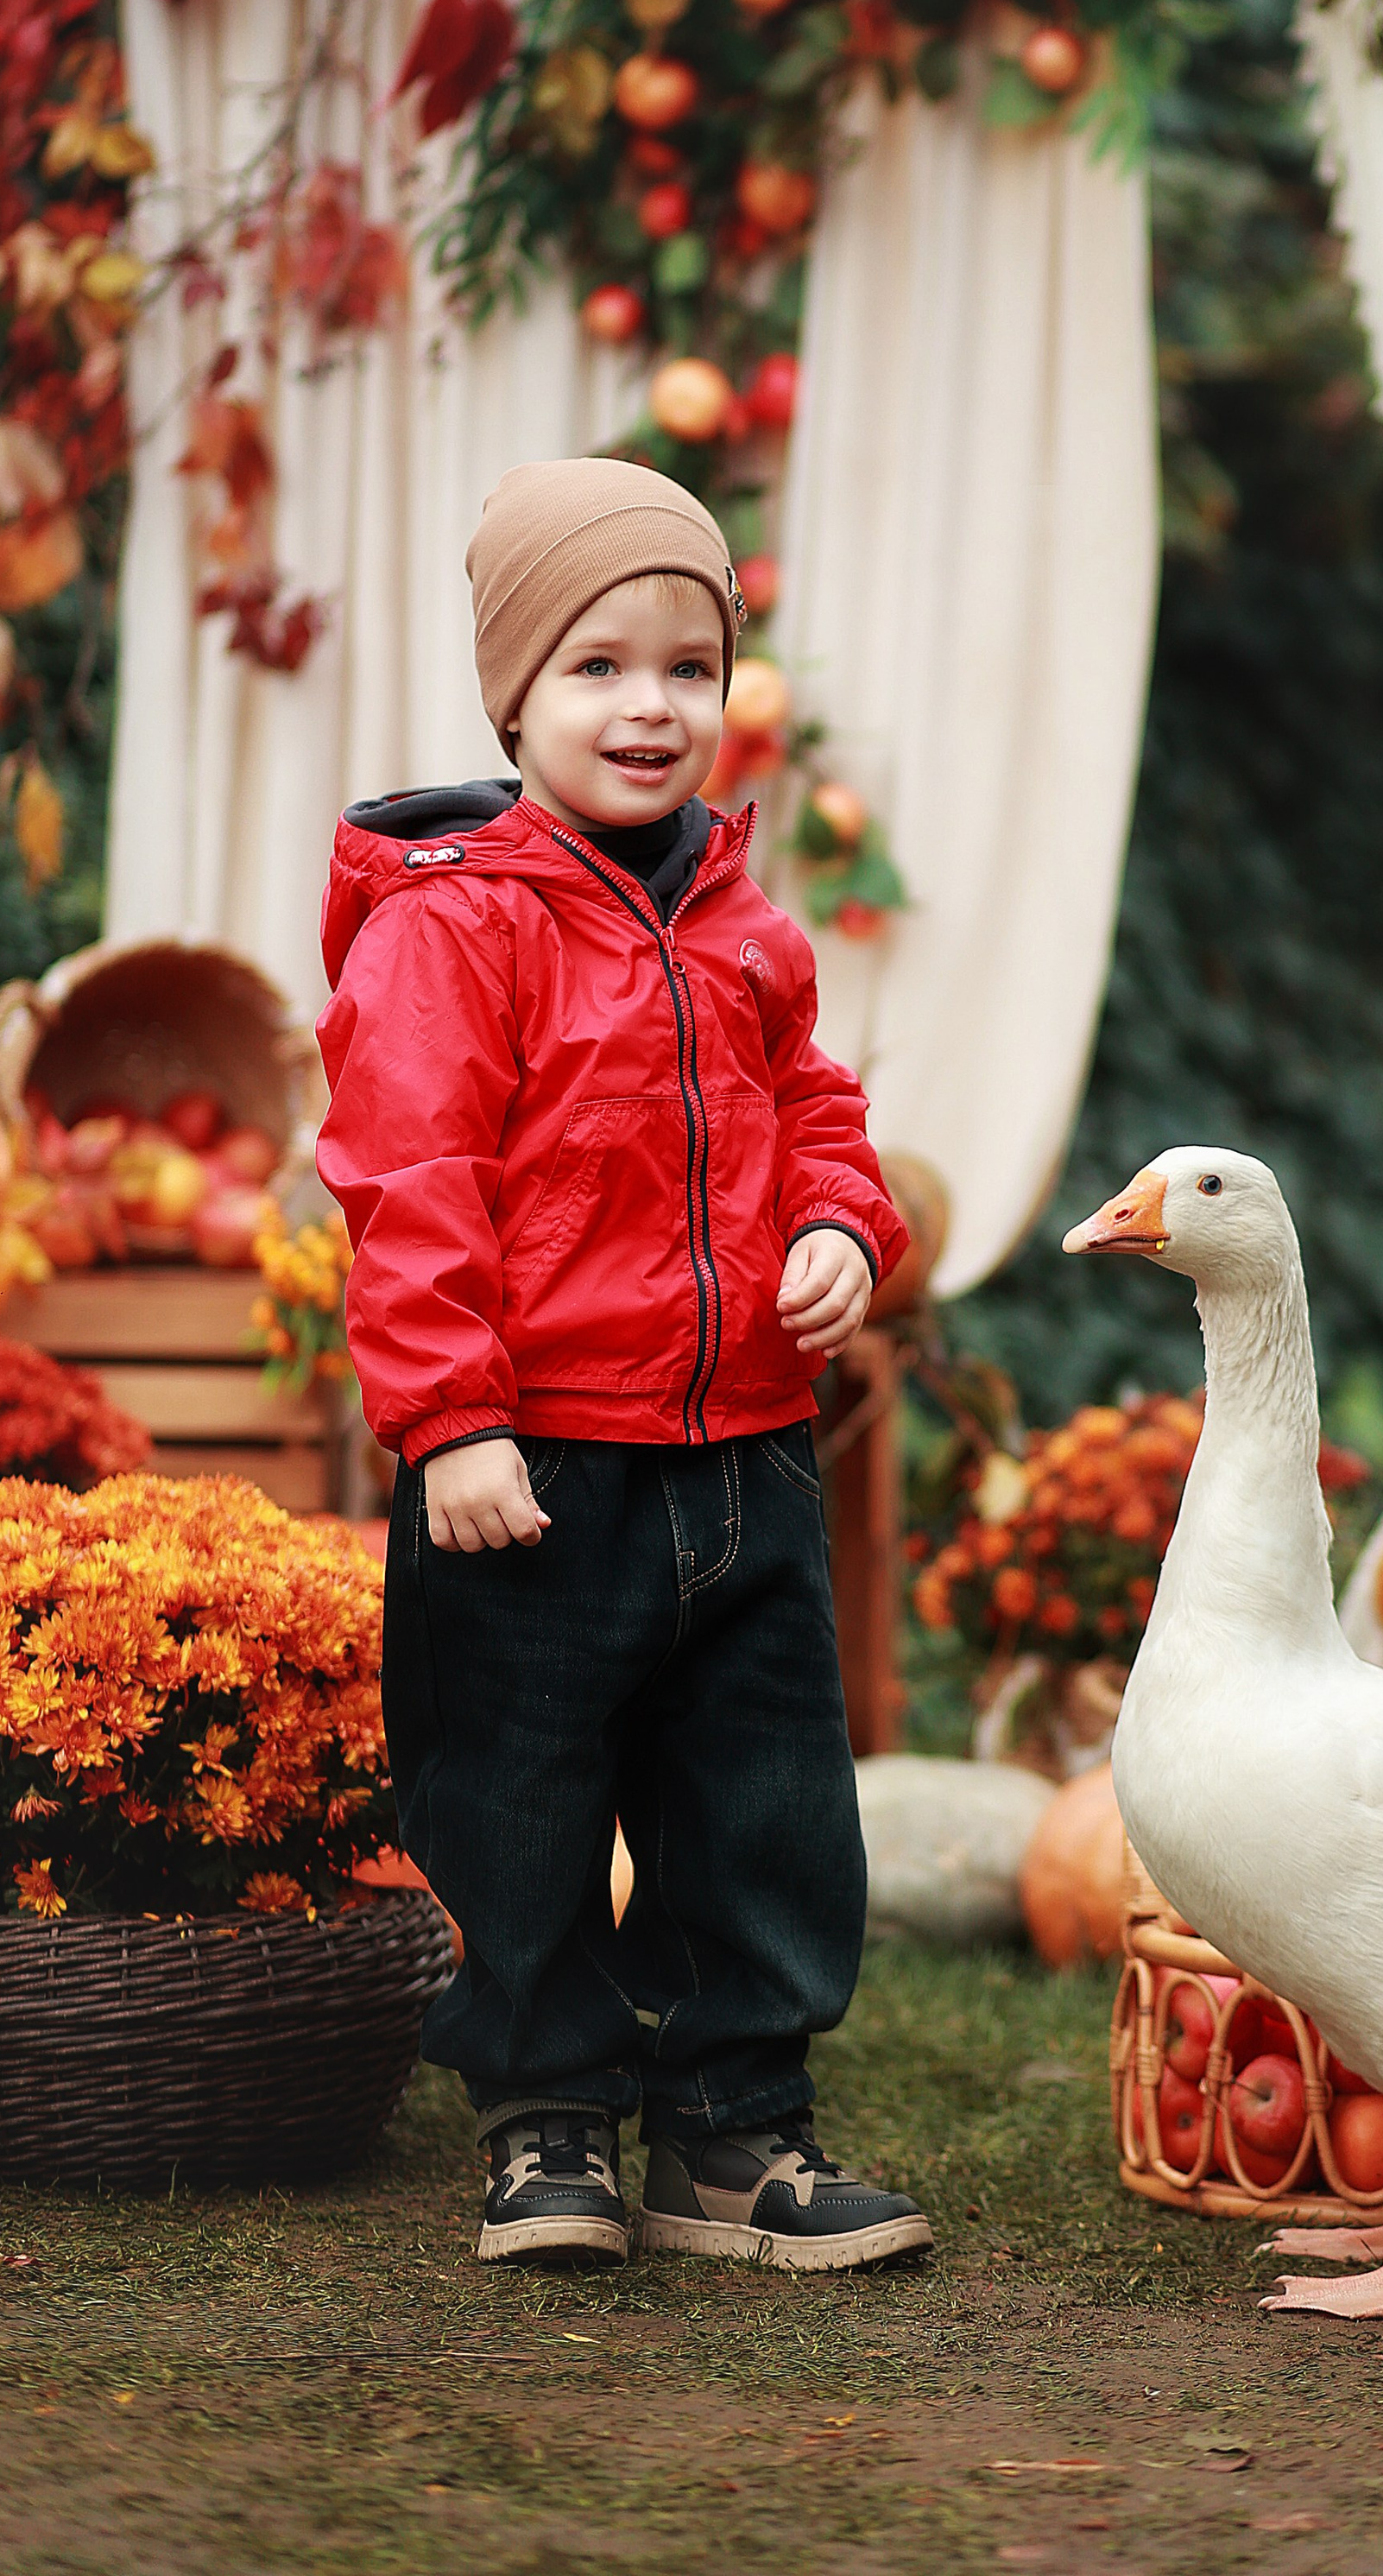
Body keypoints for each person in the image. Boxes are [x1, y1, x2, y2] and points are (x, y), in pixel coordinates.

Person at [316, 455, 929, 2274]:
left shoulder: (743, 923)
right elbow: (410, 1185)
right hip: (532, 1469)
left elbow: (819, 1109)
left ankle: (737, 2135)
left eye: (685, 664)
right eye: (596, 668)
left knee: (763, 1811)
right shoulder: (455, 925)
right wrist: (451, 1423)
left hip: (744, 1453)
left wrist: (838, 1226)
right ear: (511, 695)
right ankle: (546, 2122)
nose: (649, 707)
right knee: (516, 1801)